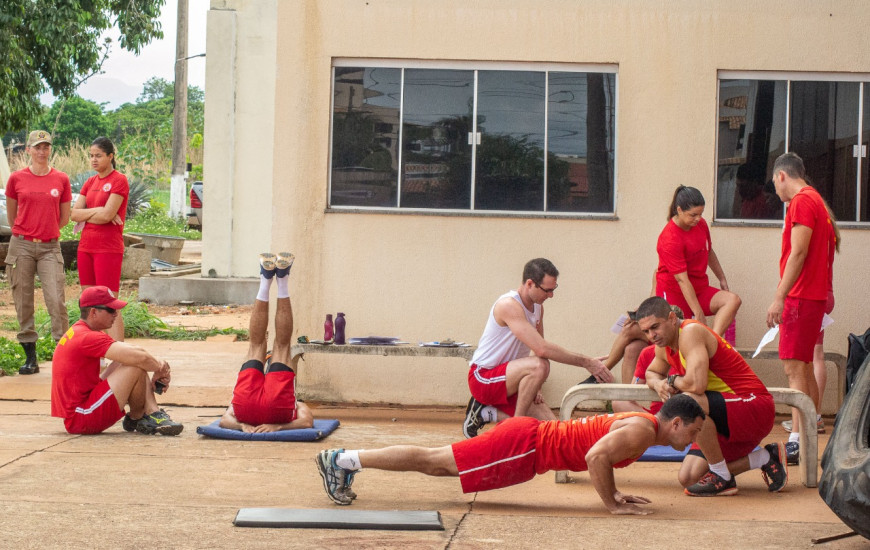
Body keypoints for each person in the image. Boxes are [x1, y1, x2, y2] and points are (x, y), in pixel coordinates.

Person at [315, 393, 706, 514]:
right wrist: (612, 504)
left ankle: (347, 460)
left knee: (435, 464)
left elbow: (597, 452)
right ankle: (343, 460)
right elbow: (595, 459)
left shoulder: (642, 424)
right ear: (675, 422)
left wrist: (616, 493)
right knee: (433, 462)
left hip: (527, 444)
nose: (694, 439)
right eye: (694, 430)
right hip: (523, 447)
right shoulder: (641, 430)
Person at [637, 296, 788, 496]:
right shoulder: (663, 347)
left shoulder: (690, 332)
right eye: (646, 331)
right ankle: (765, 457)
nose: (652, 335)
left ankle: (722, 477)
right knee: (689, 478)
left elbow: (697, 385)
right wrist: (658, 383)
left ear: (672, 318)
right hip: (721, 415)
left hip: (754, 406)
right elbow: (651, 373)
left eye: (655, 327)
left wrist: (672, 381)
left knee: (688, 402)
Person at [463, 258, 612, 438]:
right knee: (540, 366)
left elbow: (537, 348)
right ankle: (516, 428)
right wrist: (587, 362)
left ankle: (485, 413)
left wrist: (536, 385)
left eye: (553, 289)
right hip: (484, 378)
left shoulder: (538, 308)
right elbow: (542, 349)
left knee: (555, 430)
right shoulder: (509, 305)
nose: (551, 295)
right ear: (530, 283)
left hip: (512, 379)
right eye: (547, 290)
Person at [766, 153, 837, 464]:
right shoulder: (816, 201)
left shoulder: (802, 202)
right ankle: (805, 431)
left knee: (794, 369)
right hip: (811, 295)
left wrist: (779, 296)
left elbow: (798, 252)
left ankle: (795, 439)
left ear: (782, 176)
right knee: (804, 367)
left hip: (801, 296)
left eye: (775, 184)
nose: (777, 193)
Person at [51, 286, 183, 435]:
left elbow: (130, 354)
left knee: (129, 360)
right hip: (82, 416)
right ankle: (152, 414)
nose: (116, 314)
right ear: (94, 312)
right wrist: (160, 367)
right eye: (111, 310)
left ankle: (137, 417)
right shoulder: (88, 337)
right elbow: (139, 357)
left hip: (80, 411)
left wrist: (155, 364)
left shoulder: (80, 331)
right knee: (135, 364)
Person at [219, 253, 314, 432]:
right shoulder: (297, 405)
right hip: (272, 410)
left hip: (249, 410)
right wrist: (277, 426)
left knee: (279, 345)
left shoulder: (293, 402)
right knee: (261, 345)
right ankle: (275, 278)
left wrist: (241, 425)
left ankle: (272, 278)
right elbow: (307, 421)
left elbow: (224, 421)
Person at [3, 130, 72, 375]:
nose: (42, 152)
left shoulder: (61, 179)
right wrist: (25, 231)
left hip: (49, 246)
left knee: (56, 299)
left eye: (46, 147)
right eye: (37, 147)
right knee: (23, 300)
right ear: (28, 150)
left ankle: (63, 355)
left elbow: (64, 217)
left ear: (50, 150)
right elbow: (12, 216)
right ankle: (30, 358)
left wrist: (45, 230)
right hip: (21, 244)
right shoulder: (16, 179)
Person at [655, 186, 741, 338]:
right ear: (679, 210)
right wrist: (698, 312)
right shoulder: (670, 238)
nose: (698, 219)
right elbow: (682, 280)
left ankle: (714, 343)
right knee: (684, 338)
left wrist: (722, 278)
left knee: (732, 300)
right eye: (693, 215)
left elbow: (708, 251)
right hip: (675, 292)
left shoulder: (700, 225)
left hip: (699, 288)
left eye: (700, 214)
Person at [71, 137, 130, 342]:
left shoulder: (118, 180)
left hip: (108, 248)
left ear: (110, 156)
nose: (93, 160)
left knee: (109, 301)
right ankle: (98, 348)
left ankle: (119, 352)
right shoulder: (90, 182)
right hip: (86, 247)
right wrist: (98, 210)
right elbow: (74, 214)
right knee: (90, 303)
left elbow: (108, 216)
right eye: (91, 156)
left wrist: (93, 213)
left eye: (98, 156)